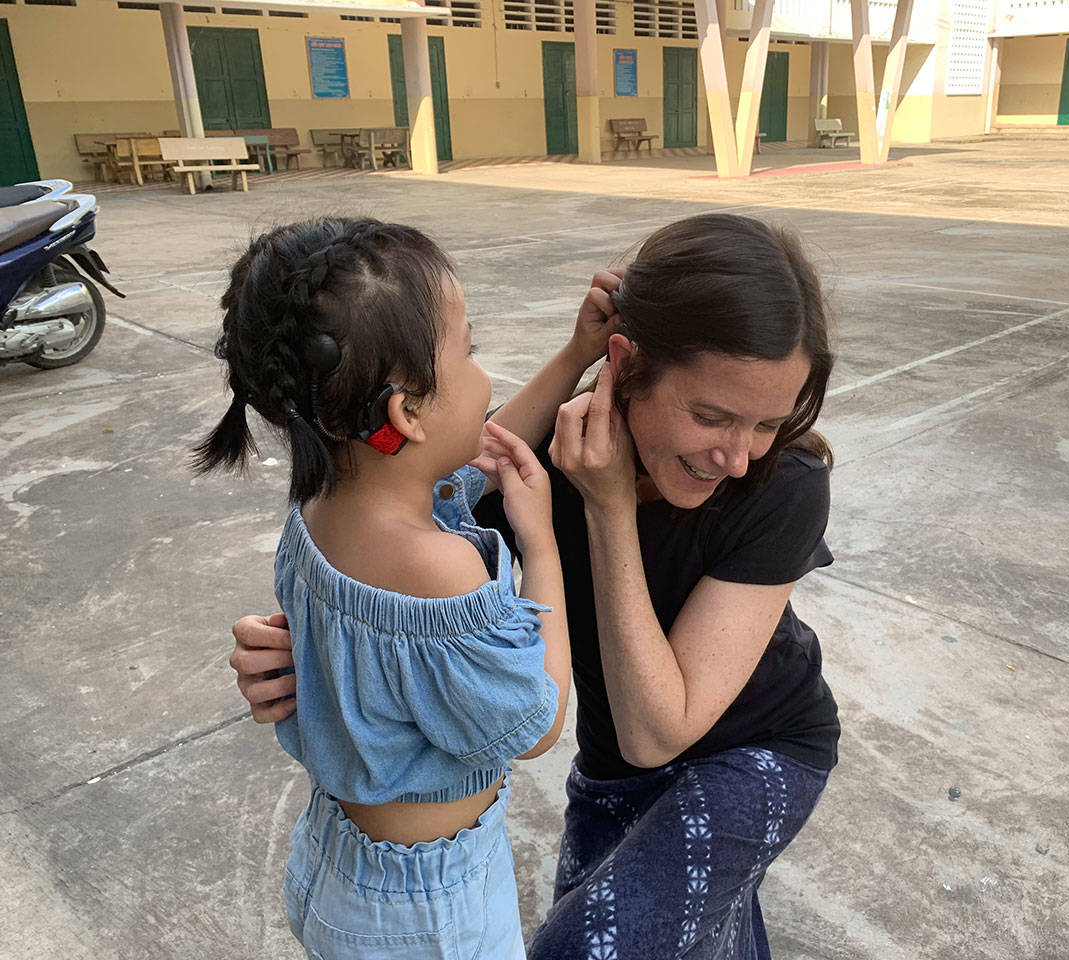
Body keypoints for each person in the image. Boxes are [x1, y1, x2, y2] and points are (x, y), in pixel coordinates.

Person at [231, 213, 841, 959]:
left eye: (767, 423)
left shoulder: (789, 483)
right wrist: (311, 652)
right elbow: (427, 501)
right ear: (628, 362)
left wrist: (607, 508)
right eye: (712, 415)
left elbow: (659, 730)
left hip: (758, 750)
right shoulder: (550, 456)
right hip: (612, 765)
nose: (739, 456)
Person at [195, 217, 595, 959]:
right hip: (430, 913)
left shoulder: (321, 508)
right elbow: (535, 725)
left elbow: (479, 447)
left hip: (338, 861)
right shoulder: (436, 568)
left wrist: (577, 353)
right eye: (469, 351)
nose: (485, 378)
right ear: (406, 414)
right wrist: (539, 543)